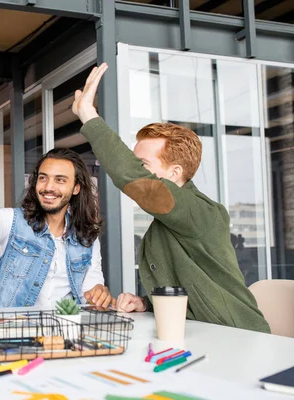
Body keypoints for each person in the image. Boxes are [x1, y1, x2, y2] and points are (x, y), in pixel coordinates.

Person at [72, 63, 270, 333]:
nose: (136, 170)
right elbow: (192, 294)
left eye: (142, 164)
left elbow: (132, 178)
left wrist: (89, 116)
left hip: (239, 336)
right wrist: (146, 303)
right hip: (202, 335)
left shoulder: (201, 212)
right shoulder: (166, 223)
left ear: (175, 172)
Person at [0, 103, 113, 309]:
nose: (49, 187)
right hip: (8, 335)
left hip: (62, 335)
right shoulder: (12, 223)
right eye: (43, 178)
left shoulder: (87, 237)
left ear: (76, 188)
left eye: (60, 180)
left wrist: (99, 293)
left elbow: (91, 292)